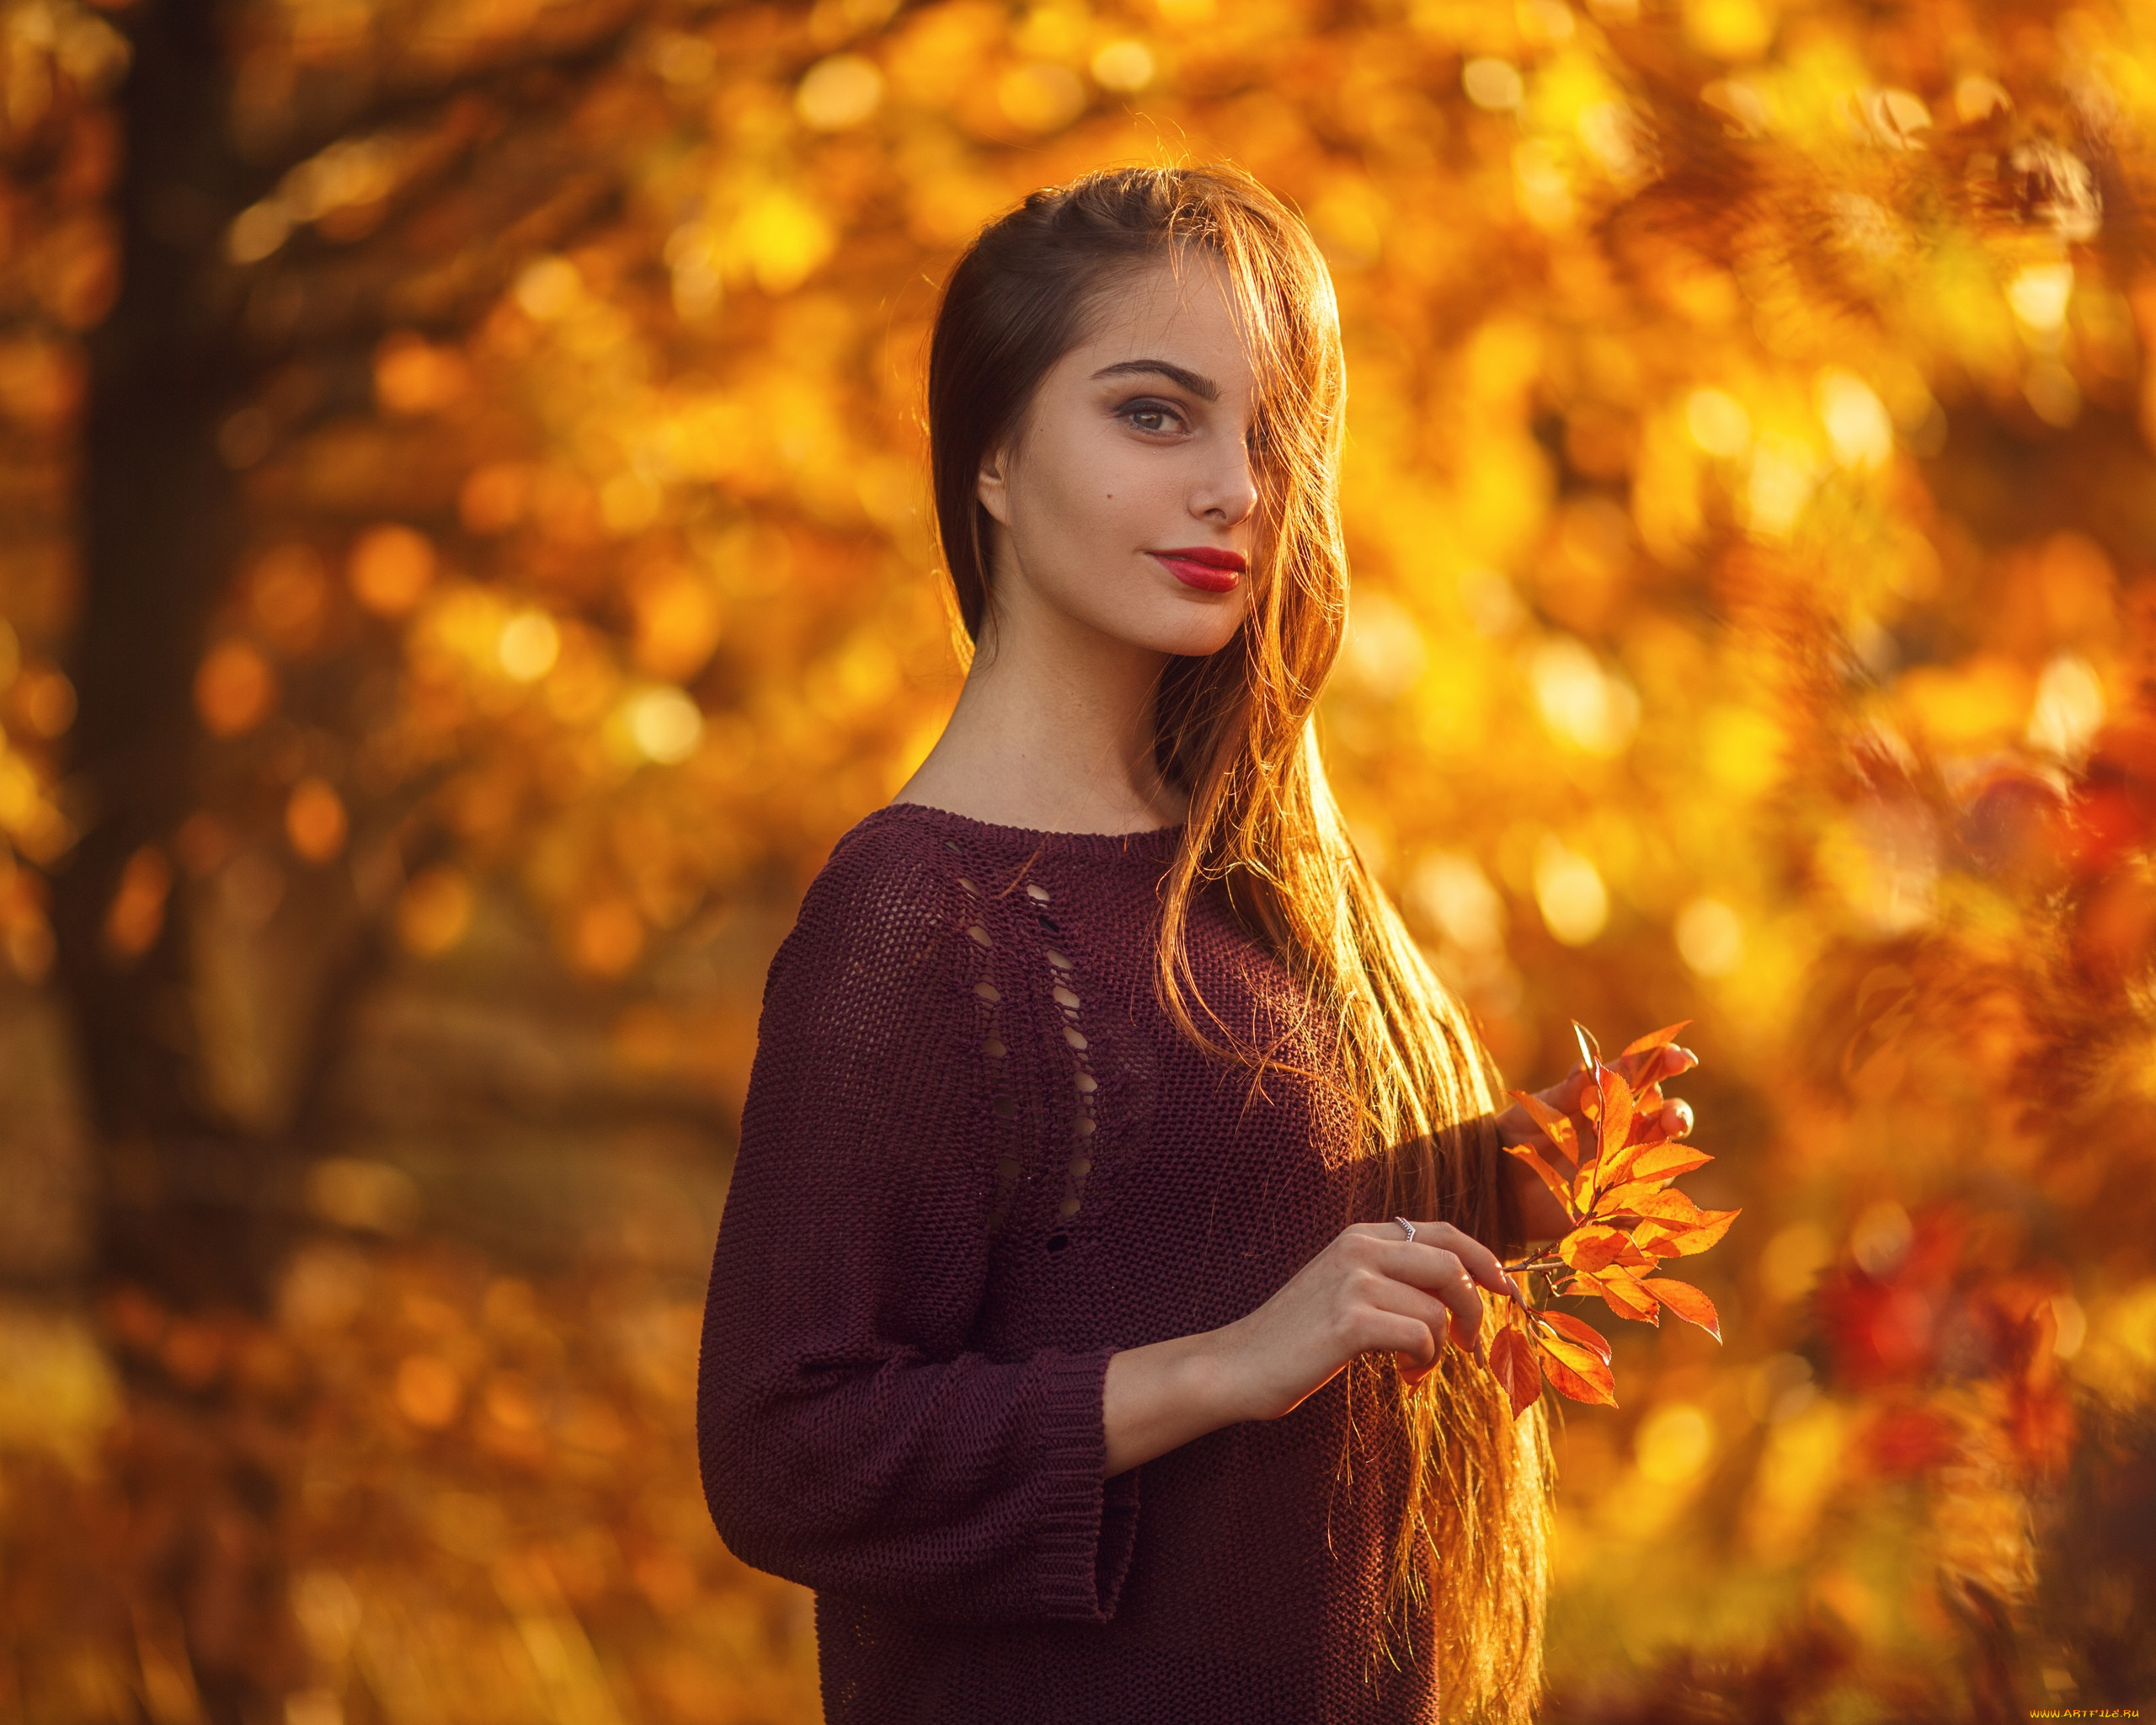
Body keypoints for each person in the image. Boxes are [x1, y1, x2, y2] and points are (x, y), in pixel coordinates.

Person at [696, 164, 1693, 1724]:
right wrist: (1221, 1367)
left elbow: (1200, 1230)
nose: (1238, 484)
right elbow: (783, 1449)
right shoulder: (920, 921)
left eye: (1266, 432)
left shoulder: (1265, 870)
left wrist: (1488, 1174)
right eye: (1155, 415)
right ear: (999, 459)